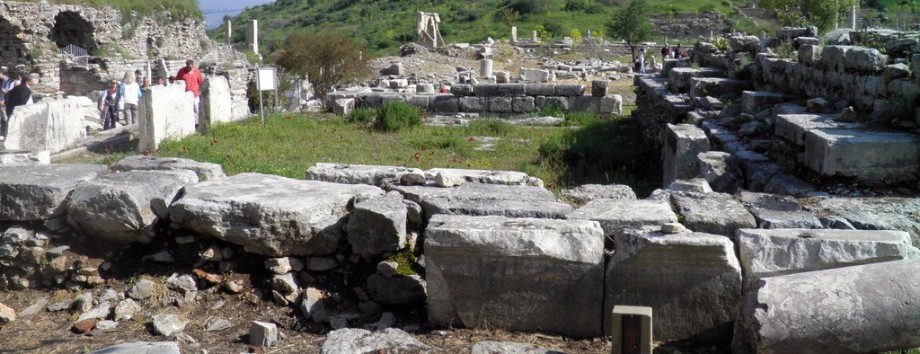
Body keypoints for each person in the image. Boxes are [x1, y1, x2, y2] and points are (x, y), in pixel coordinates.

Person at [0, 67, 11, 141]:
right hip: (1, 101)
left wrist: (2, 100)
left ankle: (4, 134)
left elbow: (6, 91)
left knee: (5, 118)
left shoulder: (7, 80)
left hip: (5, 102)